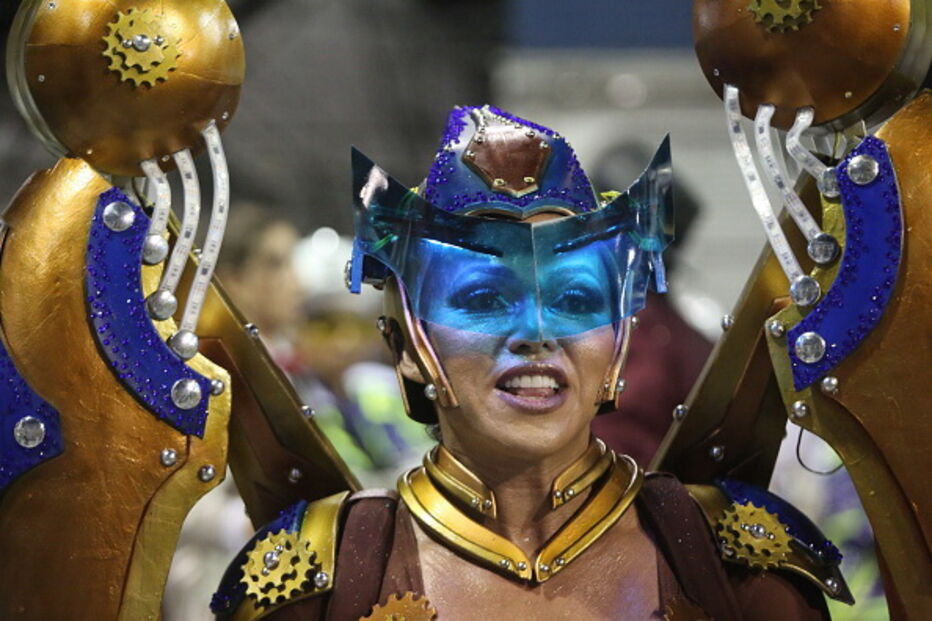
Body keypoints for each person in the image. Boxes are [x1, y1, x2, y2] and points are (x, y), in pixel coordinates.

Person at [212, 106, 846, 620]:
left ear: (620, 340)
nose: (536, 332)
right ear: (406, 348)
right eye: (483, 299)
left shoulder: (735, 563)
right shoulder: (317, 579)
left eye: (574, 298)